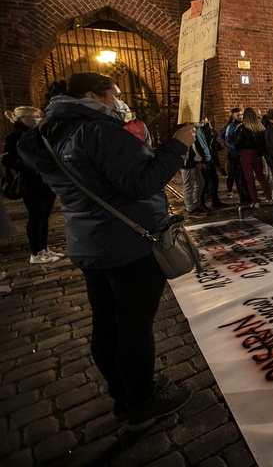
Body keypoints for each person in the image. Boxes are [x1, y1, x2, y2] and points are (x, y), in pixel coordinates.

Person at [17, 72, 194, 429]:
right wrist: (175, 146)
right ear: (91, 97)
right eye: (113, 96)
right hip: (128, 243)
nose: (118, 102)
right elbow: (140, 183)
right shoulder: (95, 131)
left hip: (89, 241)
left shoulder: (46, 134)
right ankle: (143, 402)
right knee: (133, 326)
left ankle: (125, 393)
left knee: (107, 323)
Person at [3, 106, 64, 264]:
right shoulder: (16, 136)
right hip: (31, 183)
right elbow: (7, 159)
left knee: (44, 216)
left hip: (45, 180)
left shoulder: (38, 133)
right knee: (36, 216)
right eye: (33, 117)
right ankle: (36, 252)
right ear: (23, 119)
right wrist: (32, 168)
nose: (37, 119)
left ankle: (43, 249)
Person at [235, 107, 272, 209]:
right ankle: (269, 198)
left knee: (249, 179)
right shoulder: (260, 128)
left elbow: (237, 143)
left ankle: (255, 201)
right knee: (261, 177)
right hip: (257, 154)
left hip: (245, 154)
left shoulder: (242, 128)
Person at [221, 108, 250, 204]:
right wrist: (237, 148)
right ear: (233, 116)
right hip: (235, 155)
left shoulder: (243, 125)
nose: (240, 116)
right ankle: (243, 197)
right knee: (239, 176)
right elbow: (227, 141)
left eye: (241, 115)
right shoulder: (231, 127)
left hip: (243, 153)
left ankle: (248, 195)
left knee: (246, 175)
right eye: (238, 115)